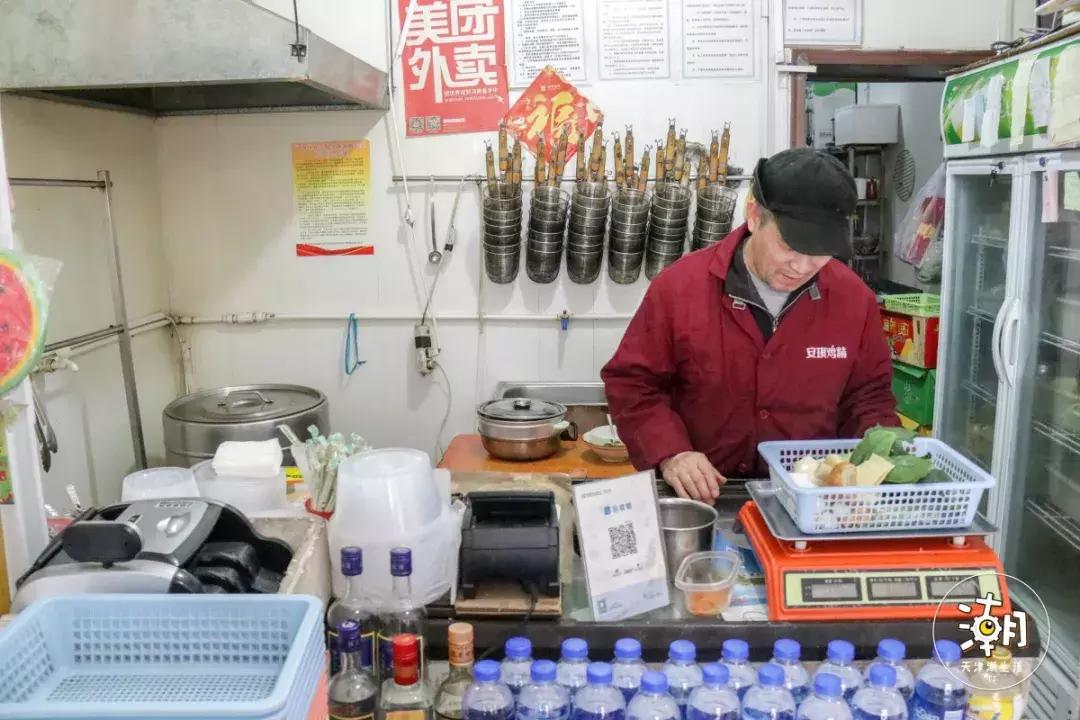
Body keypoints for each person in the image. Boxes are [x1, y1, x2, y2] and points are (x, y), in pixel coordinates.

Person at [601, 148, 897, 500]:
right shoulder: (681, 289)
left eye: (820, 253)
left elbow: (869, 397)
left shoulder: (854, 300)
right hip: (705, 498)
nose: (802, 266)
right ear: (755, 216)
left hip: (811, 499)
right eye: (790, 246)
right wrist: (671, 452)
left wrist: (877, 465)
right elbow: (633, 384)